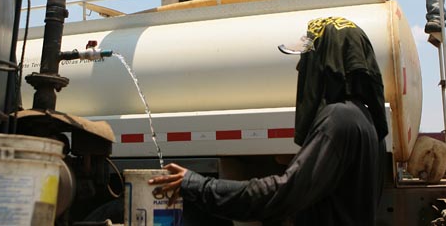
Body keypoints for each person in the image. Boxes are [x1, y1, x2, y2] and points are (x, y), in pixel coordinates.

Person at [149, 17, 388, 225]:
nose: (299, 66)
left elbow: (281, 194)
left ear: (328, 62)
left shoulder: (339, 119)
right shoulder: (367, 121)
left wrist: (197, 185)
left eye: (307, 58)